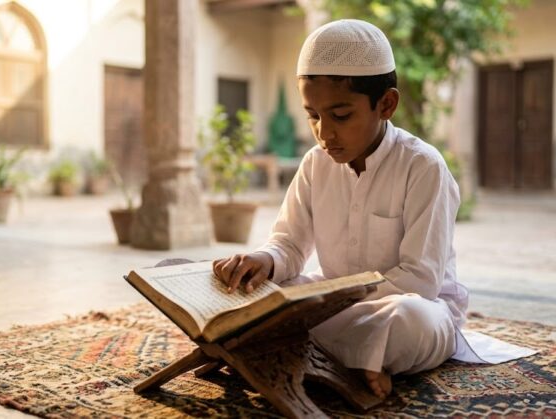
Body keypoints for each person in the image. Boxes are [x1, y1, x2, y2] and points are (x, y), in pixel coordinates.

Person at [212, 19, 533, 399]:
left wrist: (317, 310)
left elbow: (419, 281)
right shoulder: (315, 164)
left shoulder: (423, 167)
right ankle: (353, 362)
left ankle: (280, 351)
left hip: (408, 308)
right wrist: (265, 260)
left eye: (341, 115)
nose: (324, 132)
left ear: (386, 104)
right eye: (312, 115)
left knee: (412, 322)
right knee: (256, 297)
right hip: (327, 302)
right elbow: (289, 245)